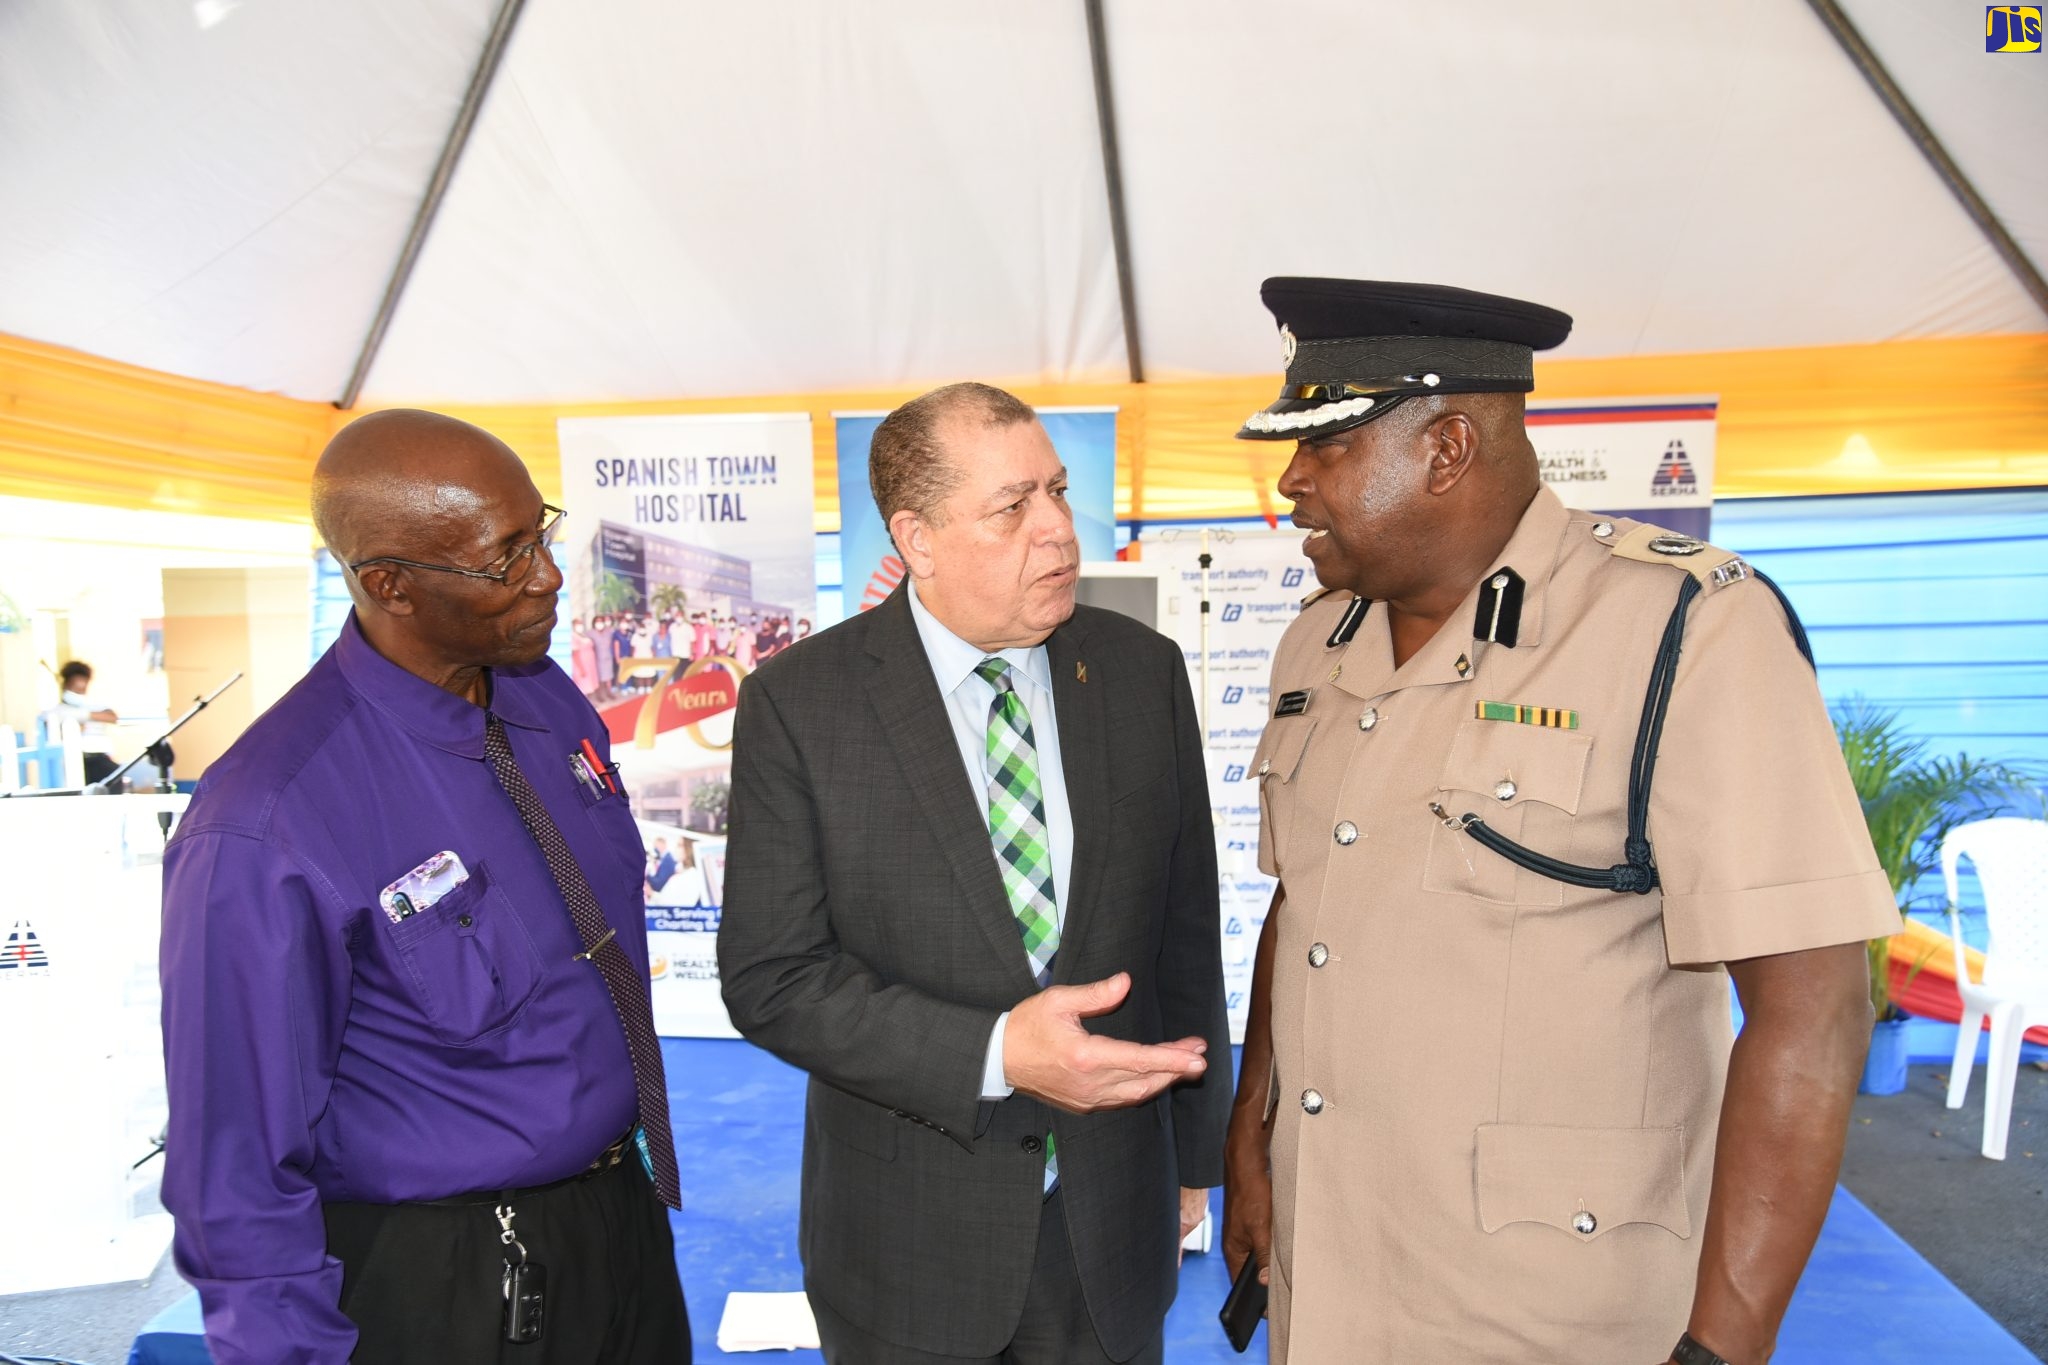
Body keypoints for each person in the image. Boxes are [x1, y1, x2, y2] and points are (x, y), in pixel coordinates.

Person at [1219, 279, 1900, 1363]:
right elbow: (1304, 903)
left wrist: (1723, 1346)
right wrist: (1249, 1133)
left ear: (1445, 449)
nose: (1291, 481)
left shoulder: (1684, 628)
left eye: (1328, 447)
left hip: (1555, 1307)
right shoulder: (1318, 643)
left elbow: (1811, 1007)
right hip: (1334, 1277)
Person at [158, 409, 690, 1365]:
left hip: (620, 1230)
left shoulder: (543, 697)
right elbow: (232, 1170)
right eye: (506, 557)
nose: (549, 575)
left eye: (543, 531)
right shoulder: (267, 817)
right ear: (389, 584)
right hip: (446, 1280)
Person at [718, 381, 1231, 1365]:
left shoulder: (1140, 674)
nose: (1058, 531)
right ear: (916, 540)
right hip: (906, 1244)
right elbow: (772, 979)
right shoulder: (801, 705)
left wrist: (1193, 1156)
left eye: (1057, 490)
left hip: (1109, 1227)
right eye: (1011, 507)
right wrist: (995, 1054)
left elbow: (1181, 927)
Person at [55, 659, 119, 786]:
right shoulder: (58, 711)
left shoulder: (91, 705)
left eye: (82, 689)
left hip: (102, 759)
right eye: (75, 689)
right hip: (77, 761)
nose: (79, 692)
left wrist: (85, 715)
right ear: (66, 685)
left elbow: (112, 717)